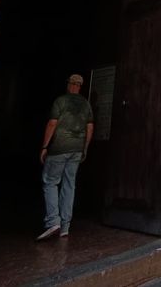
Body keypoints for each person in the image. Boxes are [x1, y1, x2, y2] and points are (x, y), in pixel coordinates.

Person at [37, 74, 94, 240]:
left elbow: (52, 123)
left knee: (50, 182)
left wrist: (45, 146)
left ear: (69, 84)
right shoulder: (86, 104)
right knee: (69, 185)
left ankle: (52, 220)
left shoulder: (60, 101)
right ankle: (65, 226)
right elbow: (90, 128)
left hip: (59, 148)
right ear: (80, 86)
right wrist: (85, 148)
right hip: (76, 149)